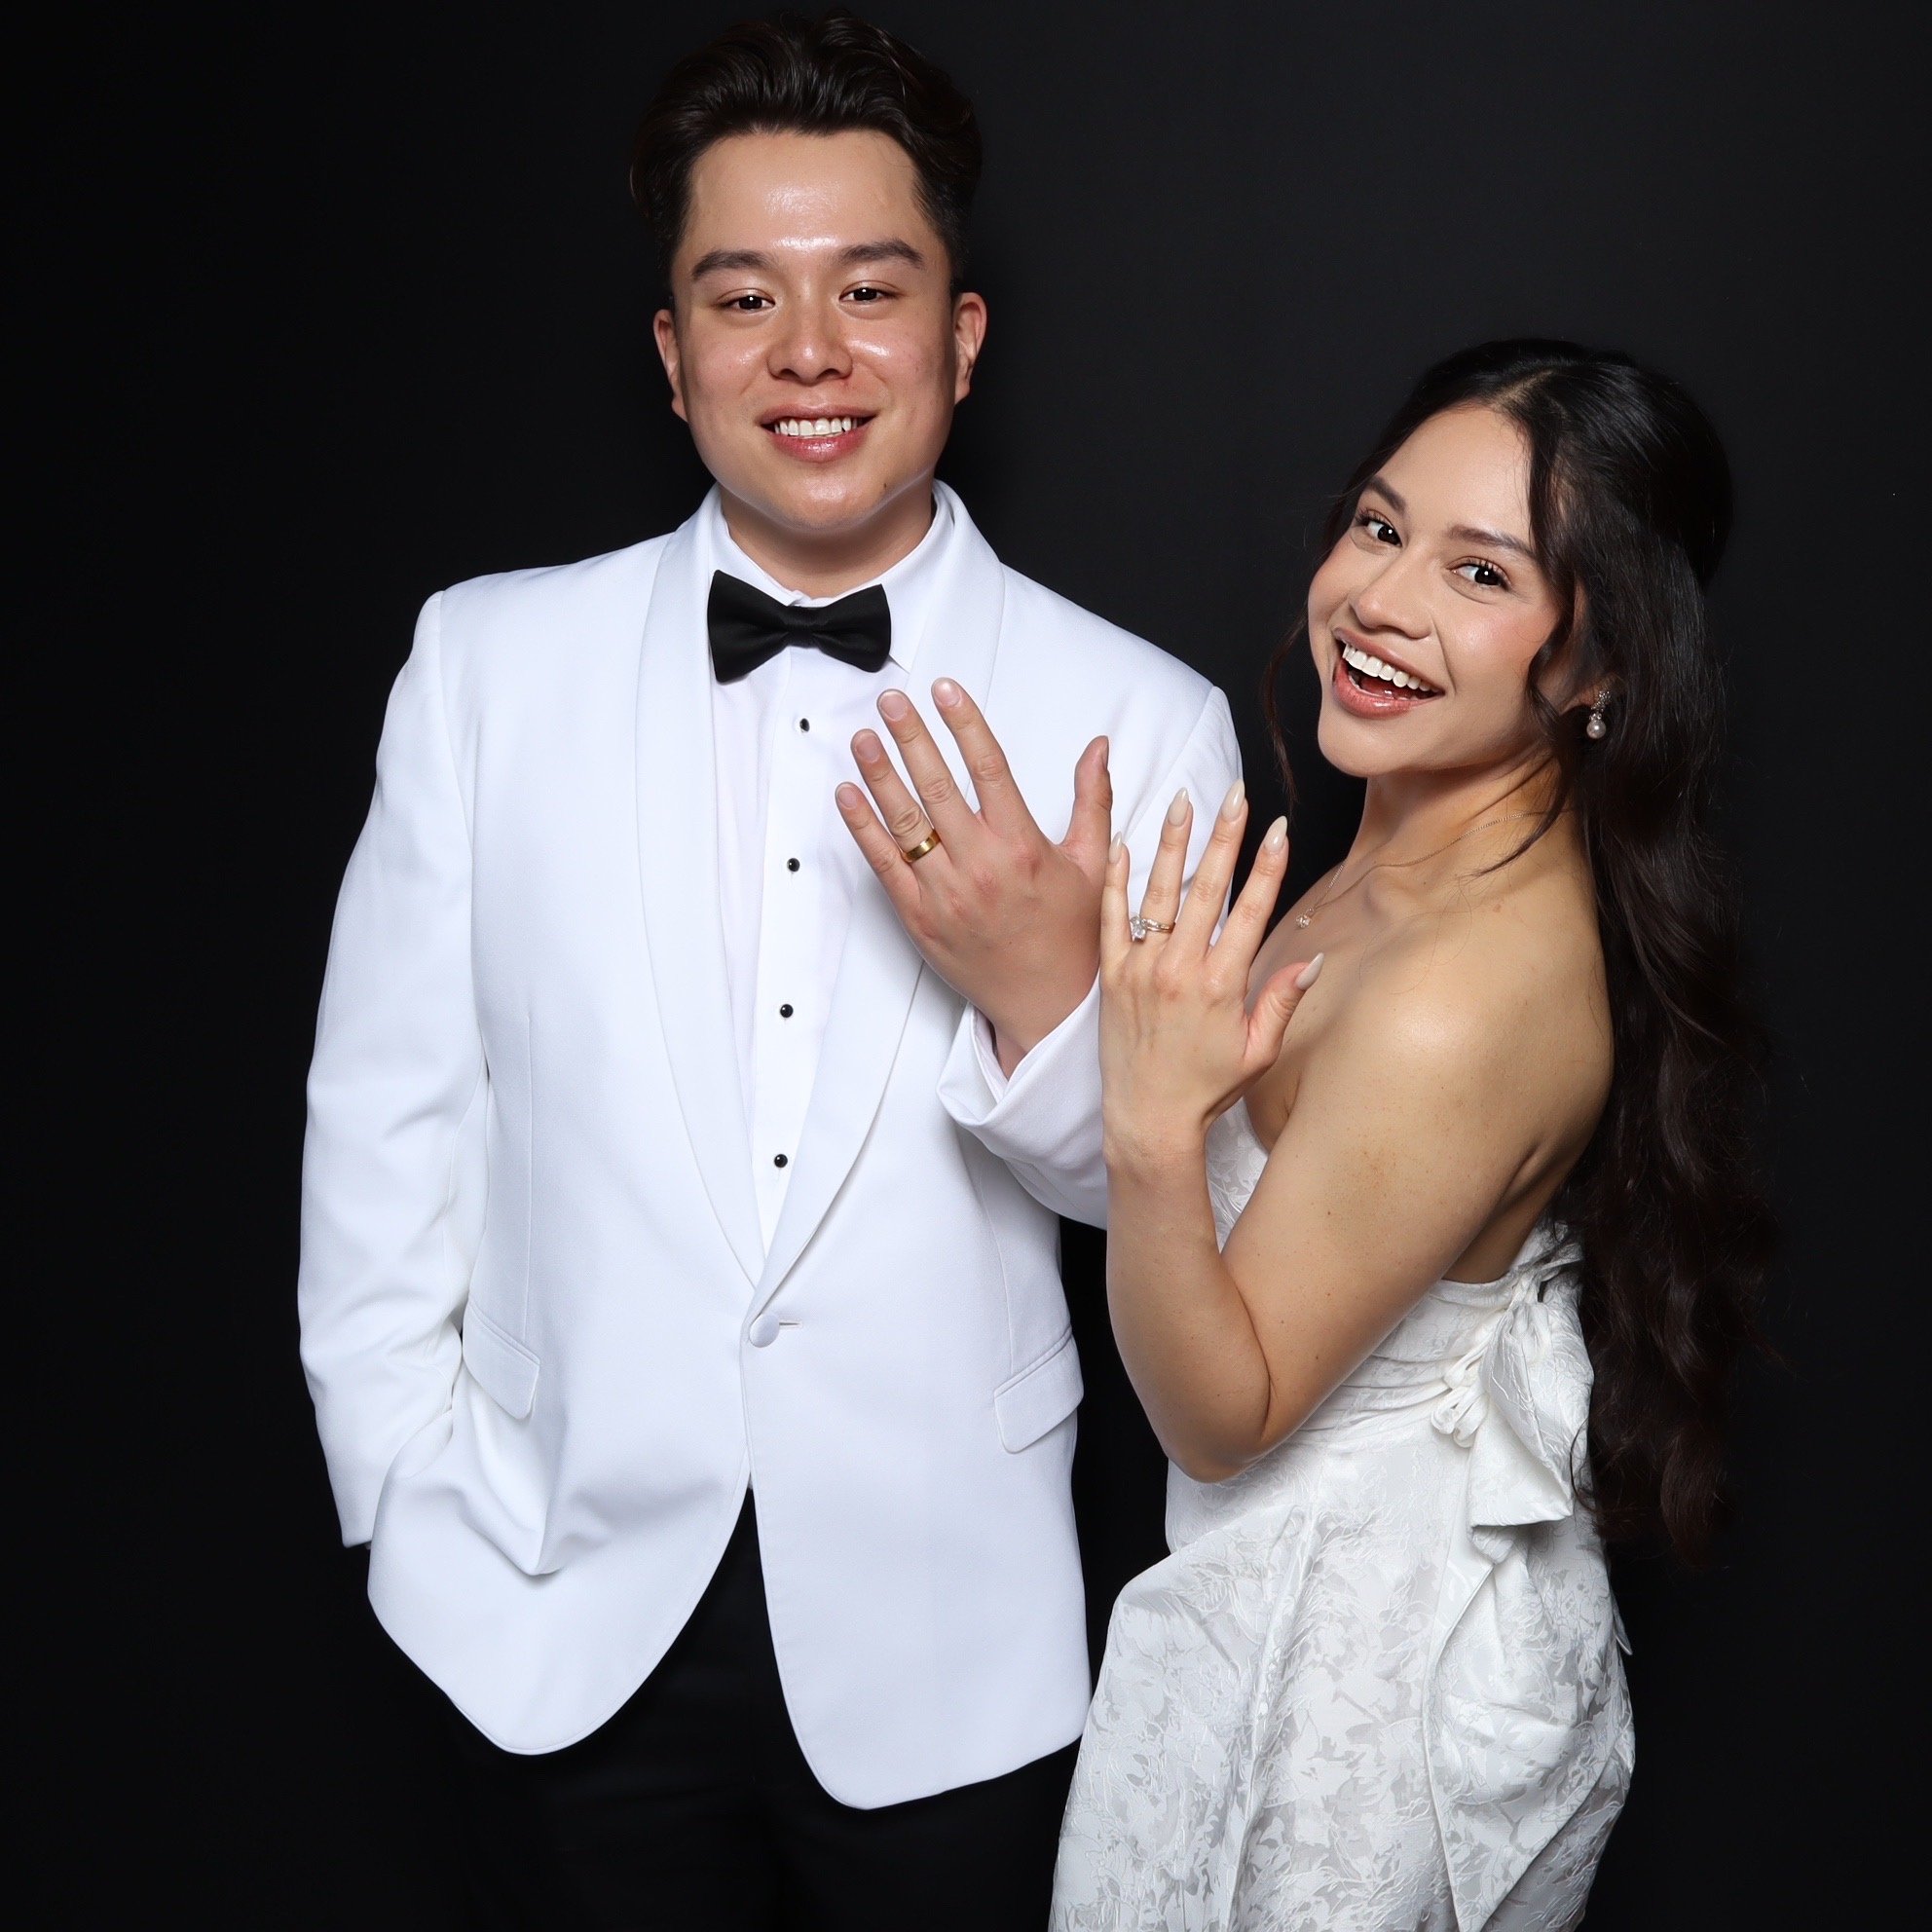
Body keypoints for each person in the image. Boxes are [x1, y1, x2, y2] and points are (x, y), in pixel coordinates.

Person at [296, 12, 1238, 1928]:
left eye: (868, 291)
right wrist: (399, 1496)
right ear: (673, 355)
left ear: (959, 338)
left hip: (948, 1649)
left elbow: (1199, 1217)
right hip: (550, 1621)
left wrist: (1042, 998)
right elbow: (383, 1123)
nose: (808, 353)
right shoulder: (485, 667)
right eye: (743, 297)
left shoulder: (1144, 716)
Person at [1052, 341, 1773, 1929]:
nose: (1382, 602)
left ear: (1598, 668)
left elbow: (1225, 1412)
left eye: (1478, 572)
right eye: (1379, 530)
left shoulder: (1465, 990)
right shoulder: (1395, 858)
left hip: (1353, 1696)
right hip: (1277, 1617)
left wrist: (1152, 1132)